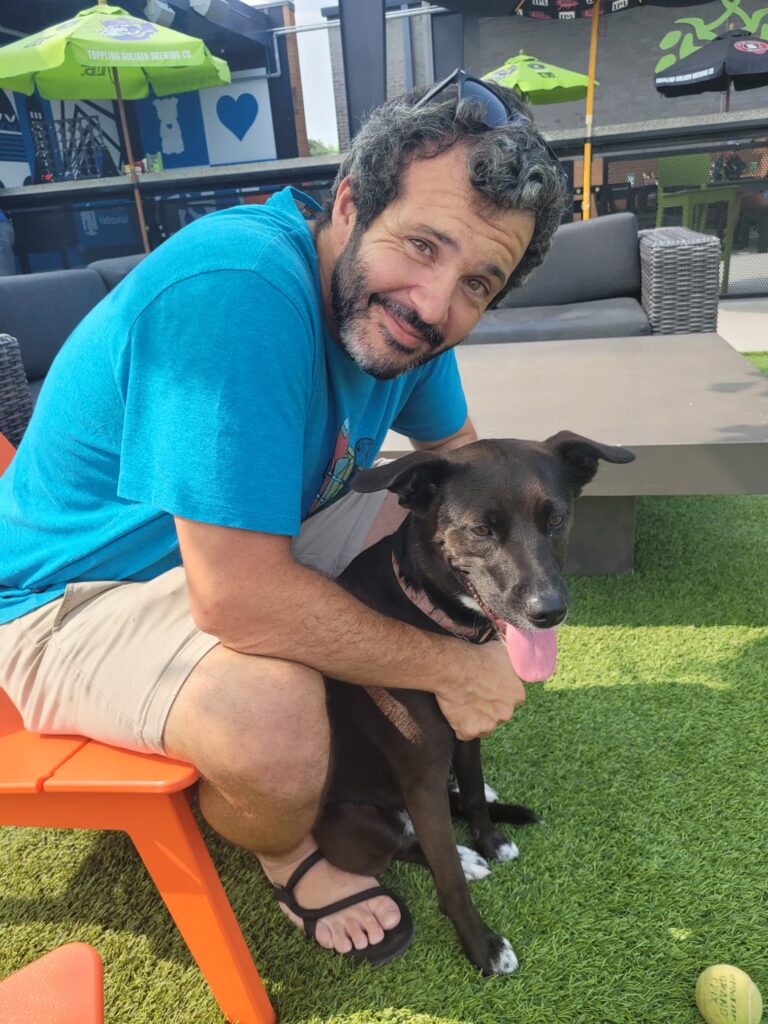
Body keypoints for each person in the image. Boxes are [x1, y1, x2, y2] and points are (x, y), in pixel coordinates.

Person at [0, 69, 567, 963]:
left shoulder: (411, 327)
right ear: (348, 203)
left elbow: (472, 480)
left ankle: (346, 731)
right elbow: (236, 601)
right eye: (421, 245)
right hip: (70, 593)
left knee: (438, 535)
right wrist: (451, 671)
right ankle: (289, 848)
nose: (434, 303)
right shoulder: (238, 288)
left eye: (477, 283)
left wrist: (498, 605)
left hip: (234, 543)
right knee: (276, 729)